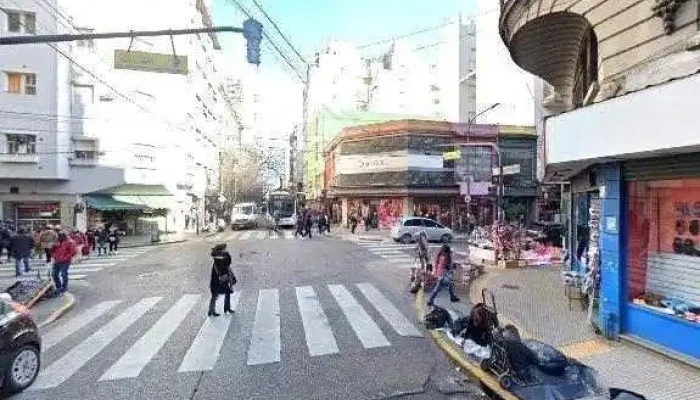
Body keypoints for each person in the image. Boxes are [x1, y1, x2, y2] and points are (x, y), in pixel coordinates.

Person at [208, 243, 235, 317]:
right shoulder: (223, 258)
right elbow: (228, 263)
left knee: (215, 295)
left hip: (216, 280)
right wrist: (228, 254)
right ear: (222, 249)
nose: (226, 250)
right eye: (225, 249)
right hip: (221, 279)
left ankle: (211, 311)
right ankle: (226, 308)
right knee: (226, 293)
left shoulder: (217, 257)